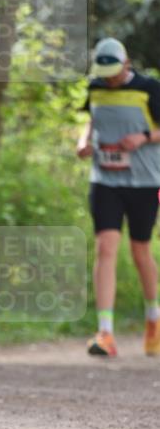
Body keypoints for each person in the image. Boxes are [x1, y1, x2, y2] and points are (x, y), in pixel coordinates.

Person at [77, 37, 160, 357]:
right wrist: (84, 141)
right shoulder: (95, 87)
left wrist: (142, 138)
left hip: (144, 181)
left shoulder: (150, 88)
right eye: (104, 73)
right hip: (105, 180)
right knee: (105, 247)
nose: (109, 79)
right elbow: (92, 121)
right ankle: (105, 332)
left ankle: (153, 318)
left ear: (126, 64)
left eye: (114, 72)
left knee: (140, 251)